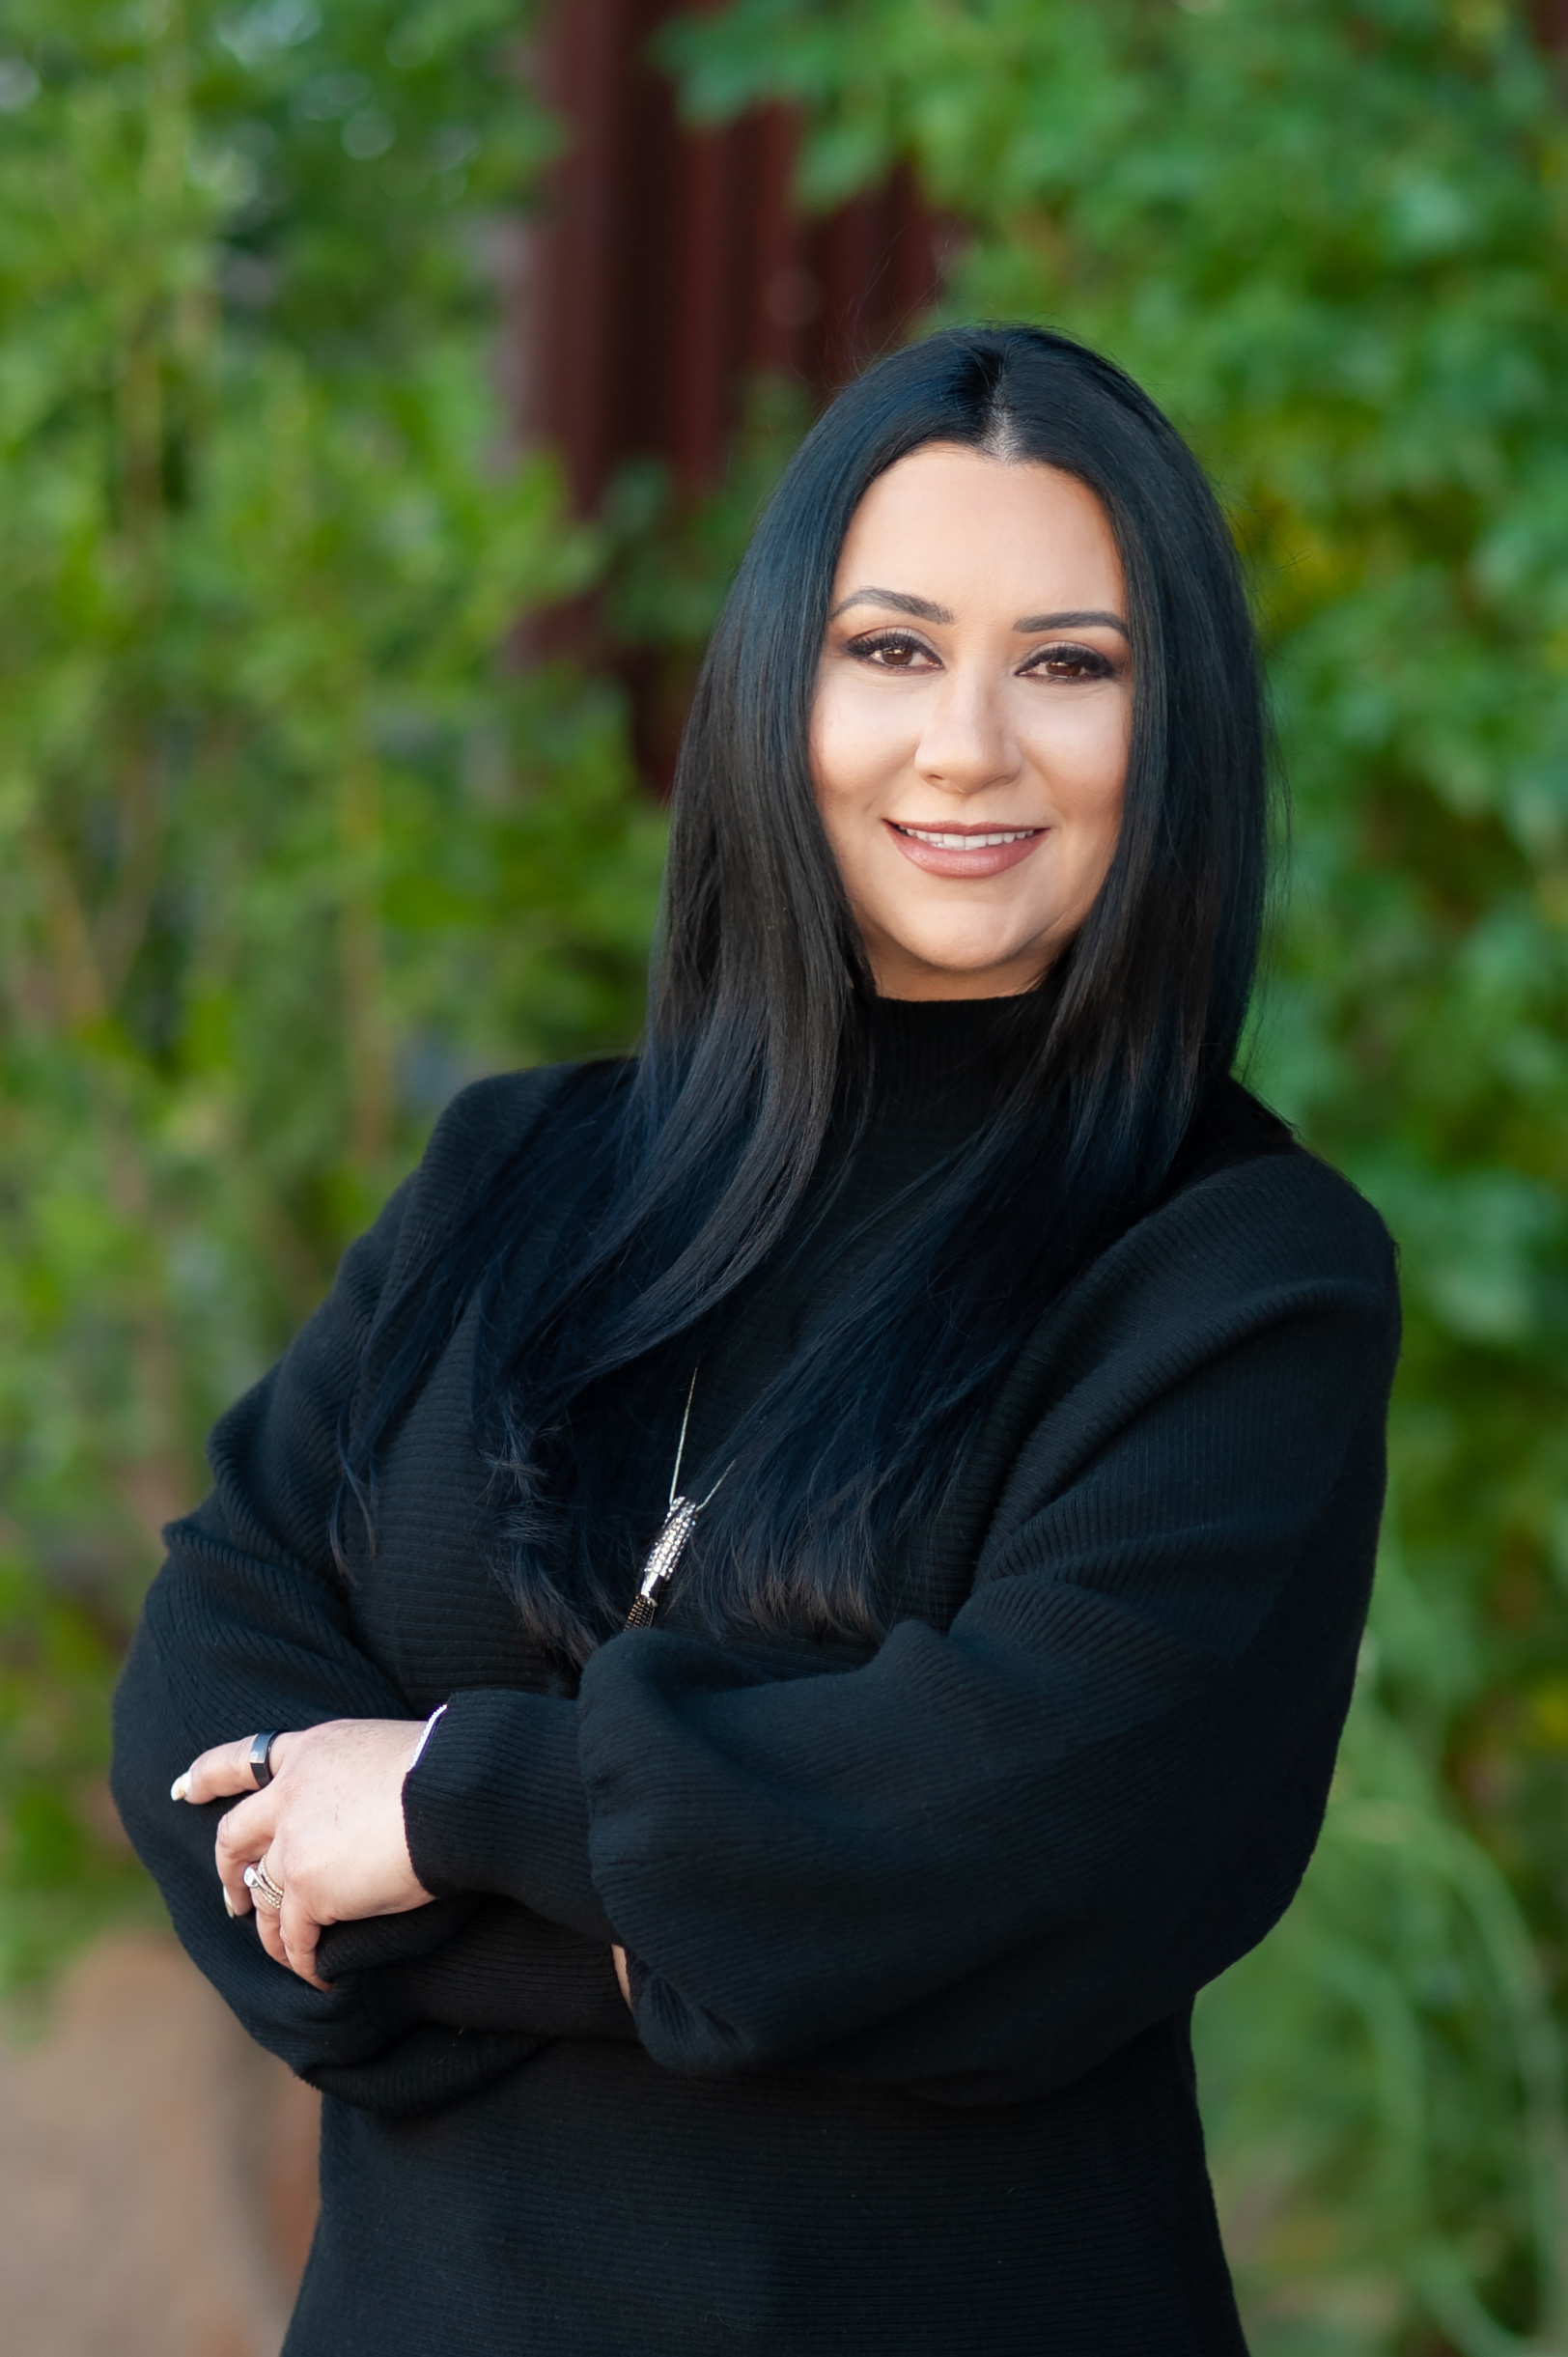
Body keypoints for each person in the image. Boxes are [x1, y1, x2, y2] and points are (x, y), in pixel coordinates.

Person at [112, 323, 1399, 2356]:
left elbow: (1023, 1841)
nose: (965, 746)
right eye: (890, 649)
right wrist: (733, 1937)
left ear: (1173, 733)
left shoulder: (1239, 1277)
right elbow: (207, 1696)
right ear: (777, 685)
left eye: (1068, 665)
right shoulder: (512, 1177)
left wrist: (446, 1814)